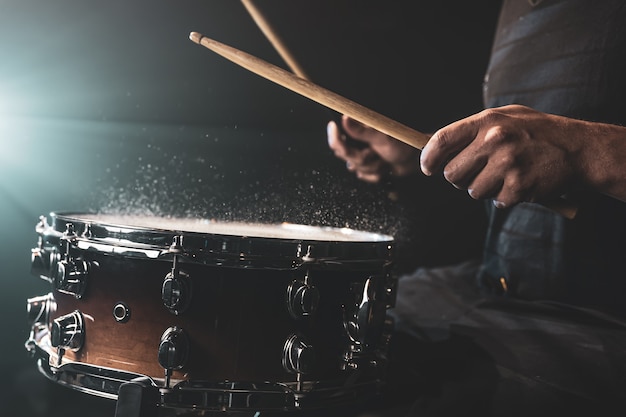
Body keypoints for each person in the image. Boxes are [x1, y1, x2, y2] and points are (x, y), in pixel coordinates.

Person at [327, 0, 626, 415]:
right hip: (493, 285)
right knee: (332, 340)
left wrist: (585, 150)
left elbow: (567, 140)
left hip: (599, 315)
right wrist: (422, 153)